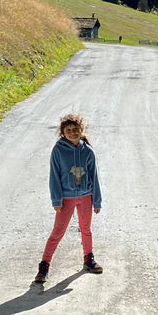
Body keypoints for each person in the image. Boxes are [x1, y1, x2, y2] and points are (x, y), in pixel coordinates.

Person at [34, 113, 103, 285]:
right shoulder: (58, 150)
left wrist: (97, 200)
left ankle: (88, 259)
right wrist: (56, 200)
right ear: (63, 133)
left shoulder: (88, 151)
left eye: (75, 129)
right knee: (58, 231)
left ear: (82, 130)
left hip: (86, 196)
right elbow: (54, 177)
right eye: (69, 130)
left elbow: (94, 176)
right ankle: (44, 265)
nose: (73, 132)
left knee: (86, 228)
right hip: (66, 198)